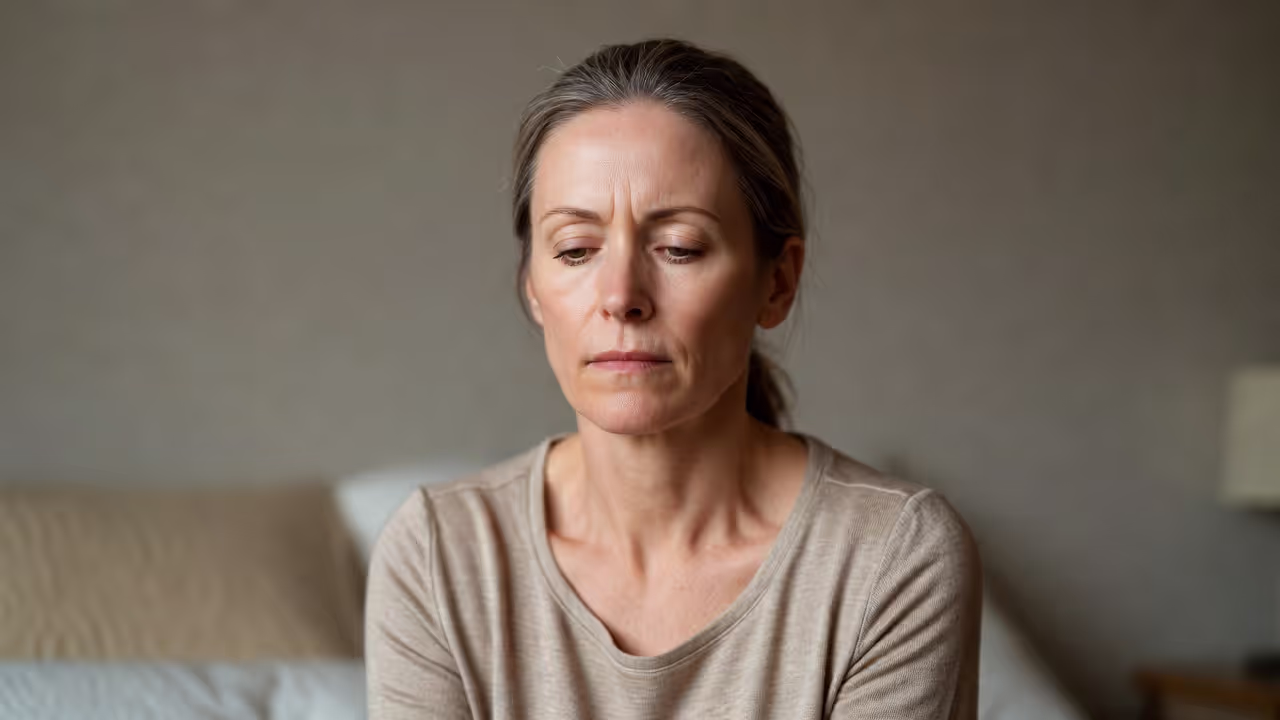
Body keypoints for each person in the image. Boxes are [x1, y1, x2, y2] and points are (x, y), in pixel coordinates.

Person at [365, 37, 982, 719]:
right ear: (532, 289)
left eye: (679, 247)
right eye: (575, 250)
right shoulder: (438, 553)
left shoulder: (891, 555)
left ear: (777, 282)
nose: (622, 294)